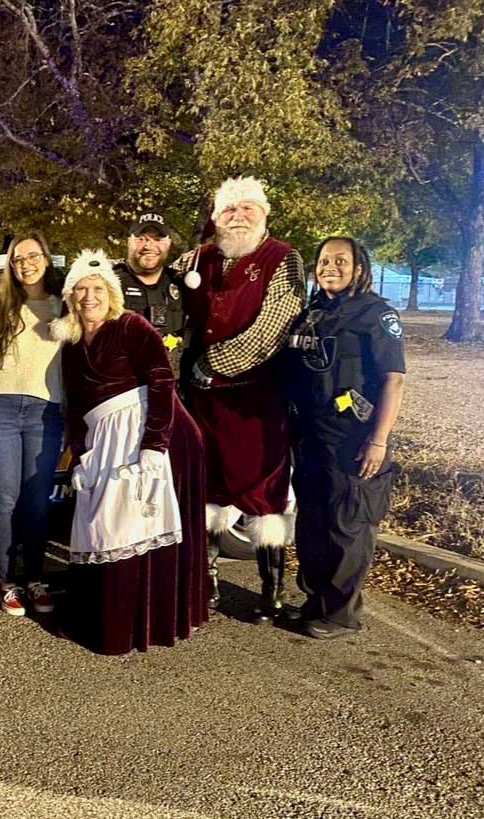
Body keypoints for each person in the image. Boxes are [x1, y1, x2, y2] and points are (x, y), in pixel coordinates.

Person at [51, 250, 209, 655]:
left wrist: (154, 447)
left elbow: (161, 381)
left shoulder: (131, 326)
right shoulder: (70, 344)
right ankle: (103, 619)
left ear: (112, 293)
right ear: (70, 297)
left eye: (98, 288)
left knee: (137, 528)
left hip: (154, 435)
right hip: (105, 440)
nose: (89, 297)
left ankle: (143, 624)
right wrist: (80, 453)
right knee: (102, 525)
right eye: (81, 289)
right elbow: (74, 405)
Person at [173, 176, 306, 621]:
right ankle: (205, 577)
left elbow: (275, 326)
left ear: (264, 213)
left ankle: (272, 588)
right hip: (201, 403)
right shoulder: (197, 259)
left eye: (248, 208)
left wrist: (212, 364)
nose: (239, 216)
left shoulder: (284, 259)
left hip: (256, 401)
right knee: (206, 486)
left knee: (264, 492)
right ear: (215, 217)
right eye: (229, 210)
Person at [283, 236, 405, 638]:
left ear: (359, 268)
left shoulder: (376, 314)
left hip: (354, 438)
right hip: (311, 436)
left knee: (349, 525)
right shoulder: (312, 313)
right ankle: (316, 602)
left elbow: (393, 381)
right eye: (323, 260)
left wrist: (379, 440)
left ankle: (340, 614)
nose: (329, 267)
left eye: (340, 260)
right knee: (314, 522)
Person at [0, 232, 64, 616]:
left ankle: (35, 578)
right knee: (6, 499)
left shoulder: (65, 307)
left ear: (47, 258)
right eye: (17, 258)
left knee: (37, 501)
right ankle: (7, 581)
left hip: (46, 412)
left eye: (32, 256)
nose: (25, 264)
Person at [114, 213, 186, 368]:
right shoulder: (109, 284)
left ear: (168, 244)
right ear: (129, 242)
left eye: (158, 239)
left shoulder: (181, 284)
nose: (149, 246)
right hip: (125, 385)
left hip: (171, 385)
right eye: (141, 238)